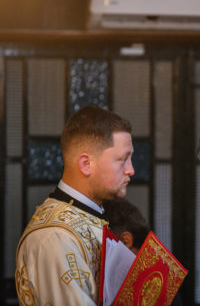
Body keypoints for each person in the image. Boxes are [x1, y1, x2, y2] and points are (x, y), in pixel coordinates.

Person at [15, 105, 134, 306]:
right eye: (122, 159)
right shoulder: (55, 238)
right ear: (86, 164)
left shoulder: (88, 215)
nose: (131, 170)